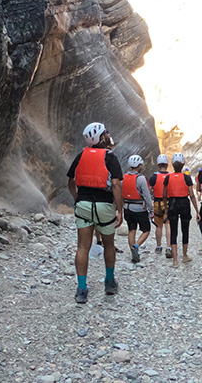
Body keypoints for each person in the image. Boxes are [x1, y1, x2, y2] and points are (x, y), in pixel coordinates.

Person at [67, 122, 123, 302]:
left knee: (83, 247)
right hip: (104, 206)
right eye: (105, 133)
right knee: (108, 244)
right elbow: (115, 184)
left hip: (83, 205)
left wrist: (77, 198)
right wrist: (120, 210)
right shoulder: (110, 157)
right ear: (101, 137)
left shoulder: (80, 155)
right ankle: (109, 282)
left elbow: (70, 182)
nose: (108, 135)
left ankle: (82, 289)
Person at [163, 152, 200, 268]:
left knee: (173, 231)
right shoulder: (187, 177)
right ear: (183, 164)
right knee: (185, 230)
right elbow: (192, 195)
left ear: (173, 165)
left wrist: (165, 208)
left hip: (172, 204)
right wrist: (197, 211)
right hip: (184, 204)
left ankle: (175, 261)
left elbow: (164, 195)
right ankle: (184, 256)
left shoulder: (168, 177)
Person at [123, 154, 153, 263]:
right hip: (139, 208)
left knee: (132, 229)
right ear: (139, 166)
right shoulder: (140, 179)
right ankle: (136, 246)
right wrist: (151, 209)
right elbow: (147, 196)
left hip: (127, 207)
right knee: (146, 229)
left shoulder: (124, 177)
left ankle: (133, 253)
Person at [148, 154, 172, 257]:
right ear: (167, 165)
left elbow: (150, 190)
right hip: (168, 203)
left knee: (158, 226)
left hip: (157, 202)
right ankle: (169, 246)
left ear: (158, 165)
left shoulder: (154, 177)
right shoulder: (170, 176)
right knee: (168, 225)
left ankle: (158, 246)